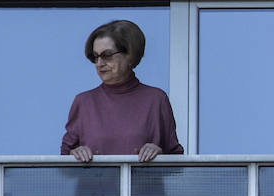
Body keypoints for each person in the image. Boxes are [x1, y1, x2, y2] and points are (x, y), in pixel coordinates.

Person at [61, 19, 183, 162]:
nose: (99, 63)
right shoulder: (84, 102)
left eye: (107, 55)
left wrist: (159, 154)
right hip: (93, 184)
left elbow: (177, 162)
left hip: (143, 184)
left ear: (130, 55)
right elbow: (64, 164)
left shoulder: (155, 99)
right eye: (95, 57)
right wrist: (75, 154)